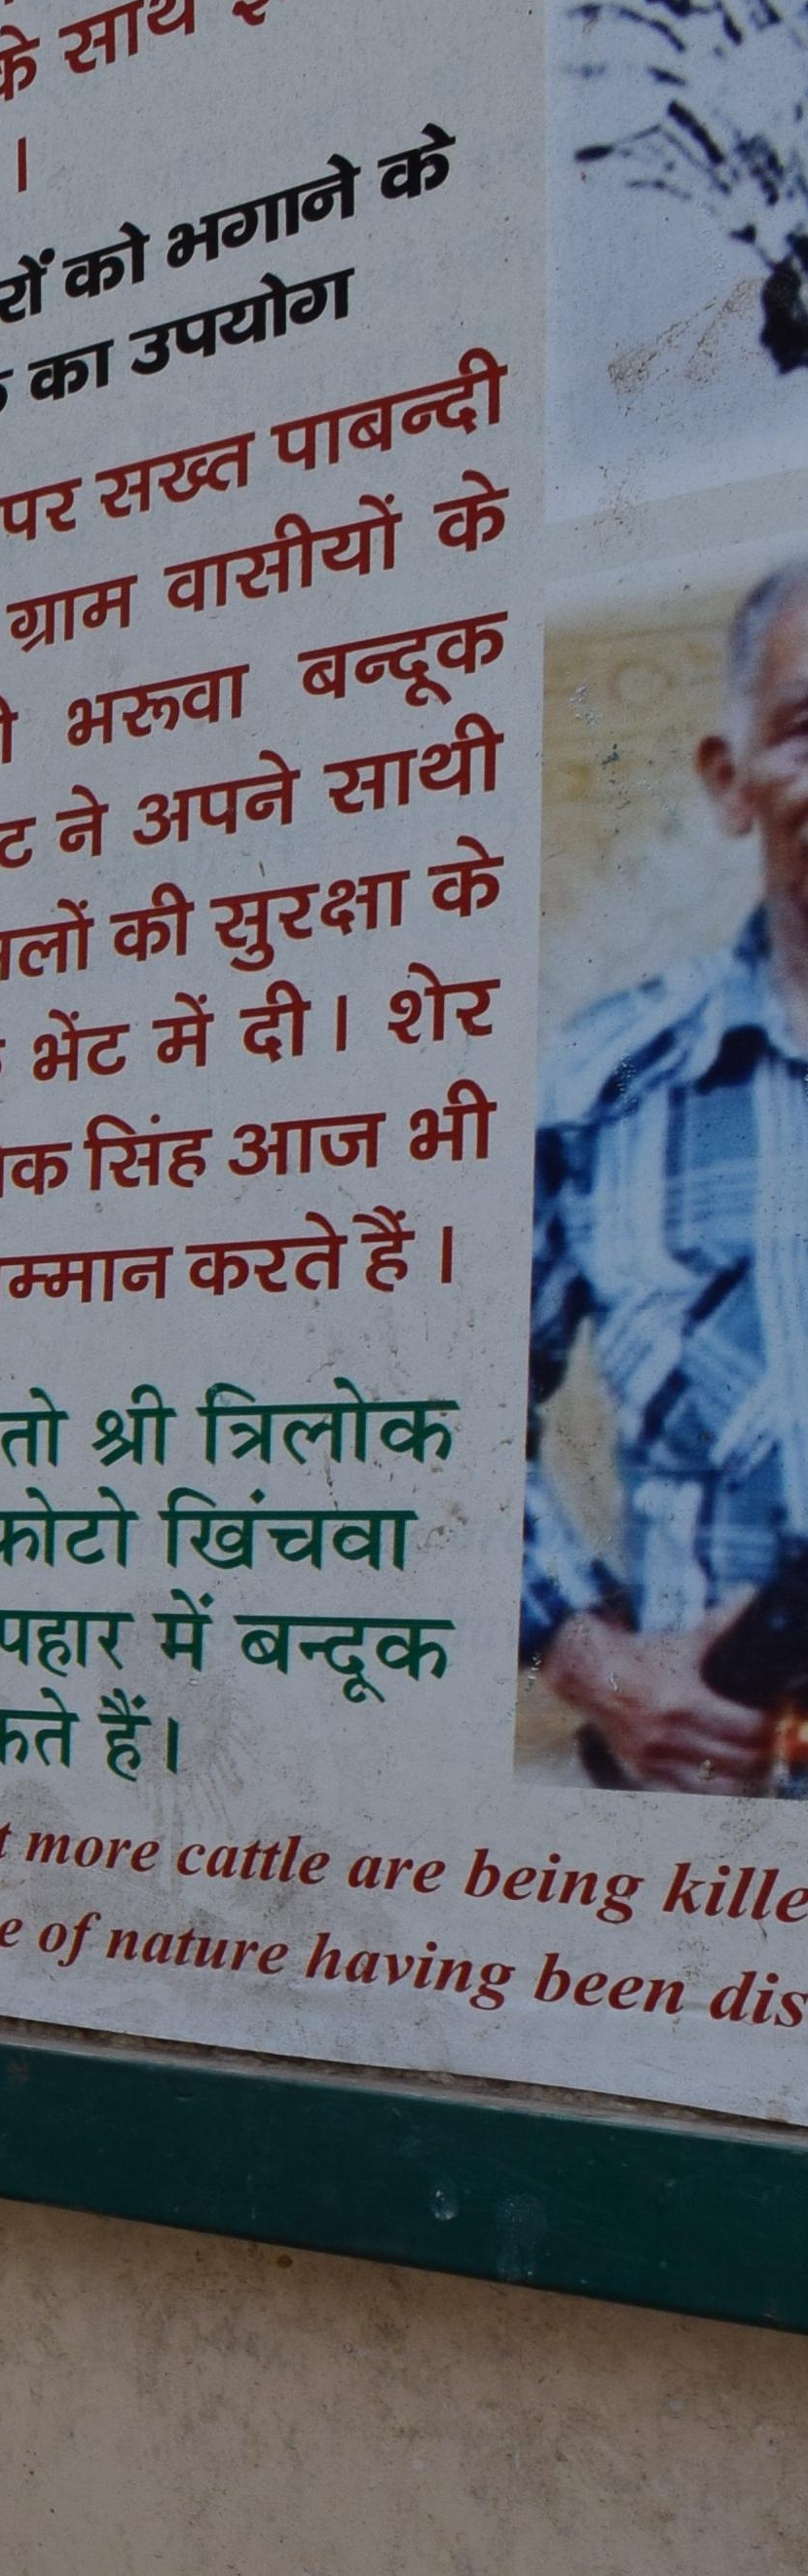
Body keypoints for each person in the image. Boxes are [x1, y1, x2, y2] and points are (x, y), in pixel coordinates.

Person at [529, 552, 808, 1785]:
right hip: (697, 1832)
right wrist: (597, 1662)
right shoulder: (598, 1081)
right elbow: (432, 1427)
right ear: (730, 778)